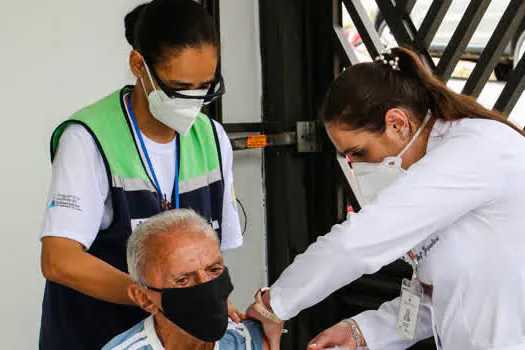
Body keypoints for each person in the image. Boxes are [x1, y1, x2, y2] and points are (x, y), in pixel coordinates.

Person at [247, 46, 525, 349]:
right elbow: (441, 297)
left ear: (397, 124)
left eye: (359, 152)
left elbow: (355, 244)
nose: (357, 167)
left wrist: (273, 304)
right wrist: (360, 331)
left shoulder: (474, 151)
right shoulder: (436, 170)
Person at [39, 1, 243, 349]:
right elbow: (59, 260)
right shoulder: (89, 139)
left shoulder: (211, 137)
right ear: (138, 65)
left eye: (204, 87)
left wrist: (211, 303)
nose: (192, 101)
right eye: (179, 88)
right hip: (98, 334)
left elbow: (214, 252)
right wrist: (157, 298)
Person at [103, 209, 282, 350]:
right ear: (144, 298)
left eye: (214, 269)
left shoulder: (250, 341)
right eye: (182, 280)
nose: (207, 287)